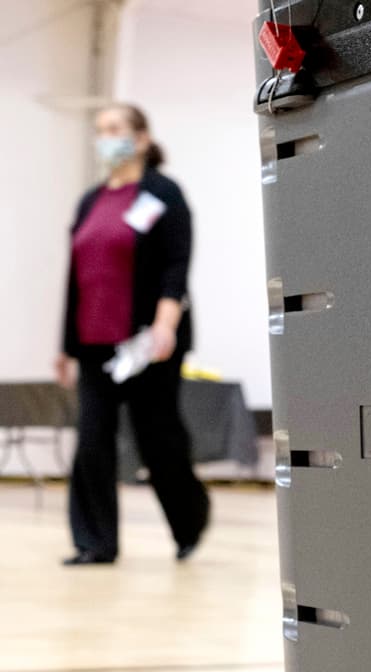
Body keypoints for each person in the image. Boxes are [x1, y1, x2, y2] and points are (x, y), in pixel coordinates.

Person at [55, 104, 210, 566]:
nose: (105, 138)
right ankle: (95, 543)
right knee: (91, 441)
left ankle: (189, 520)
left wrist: (165, 325)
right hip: (93, 343)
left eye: (115, 129)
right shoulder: (90, 201)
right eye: (100, 130)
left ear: (141, 139)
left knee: (158, 440)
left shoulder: (163, 193)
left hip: (146, 343)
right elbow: (76, 277)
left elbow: (175, 266)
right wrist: (66, 348)